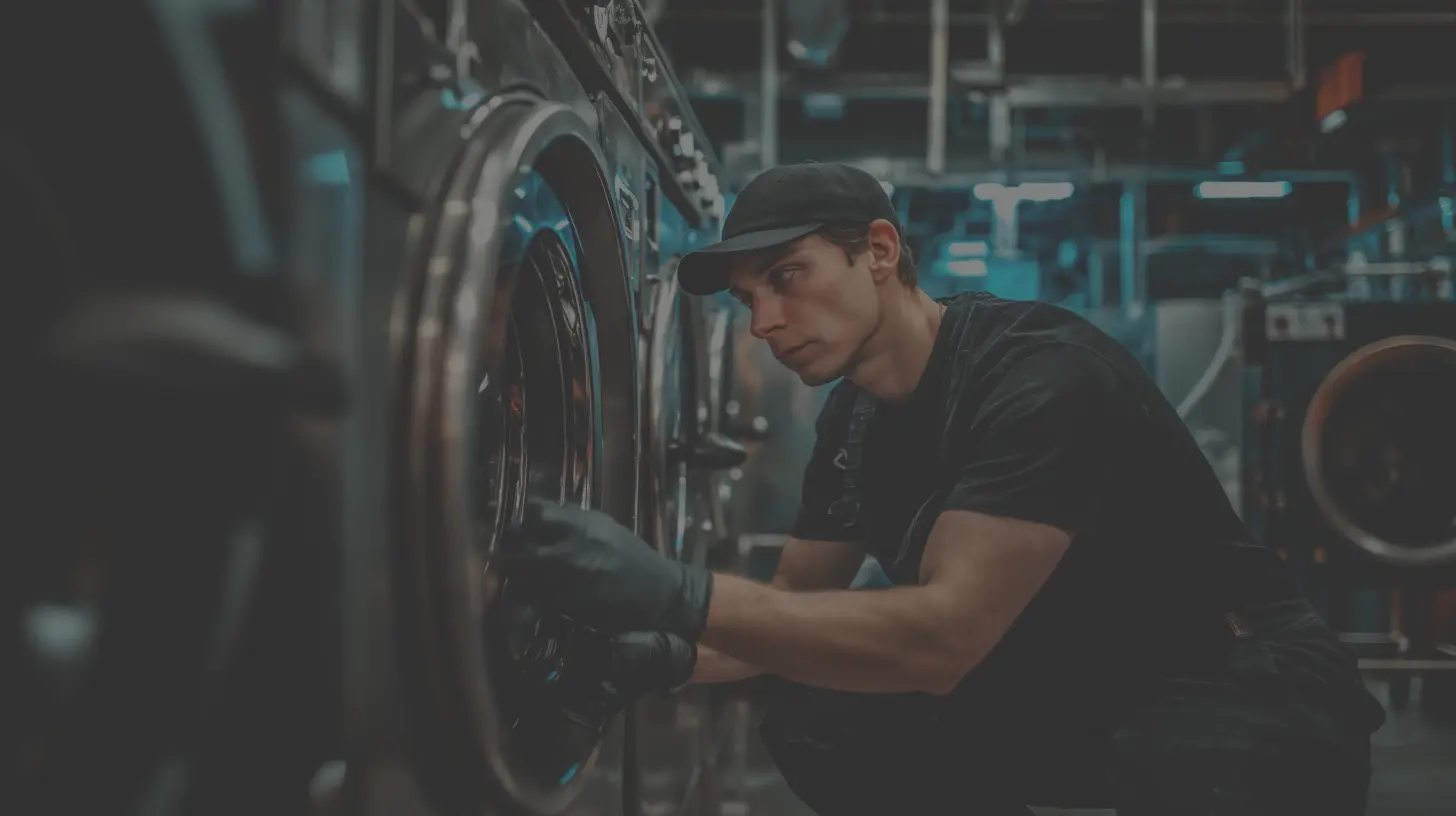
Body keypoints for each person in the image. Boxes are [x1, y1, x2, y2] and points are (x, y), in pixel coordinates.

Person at [500, 162, 1387, 814]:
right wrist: (666, 655)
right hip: (1076, 671)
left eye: (787, 277)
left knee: (1186, 768)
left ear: (879, 252)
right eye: (747, 298)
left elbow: (942, 637)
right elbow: (789, 612)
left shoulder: (1038, 378)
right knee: (821, 712)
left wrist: (677, 593)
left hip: (1236, 673)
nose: (765, 321)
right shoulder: (851, 423)